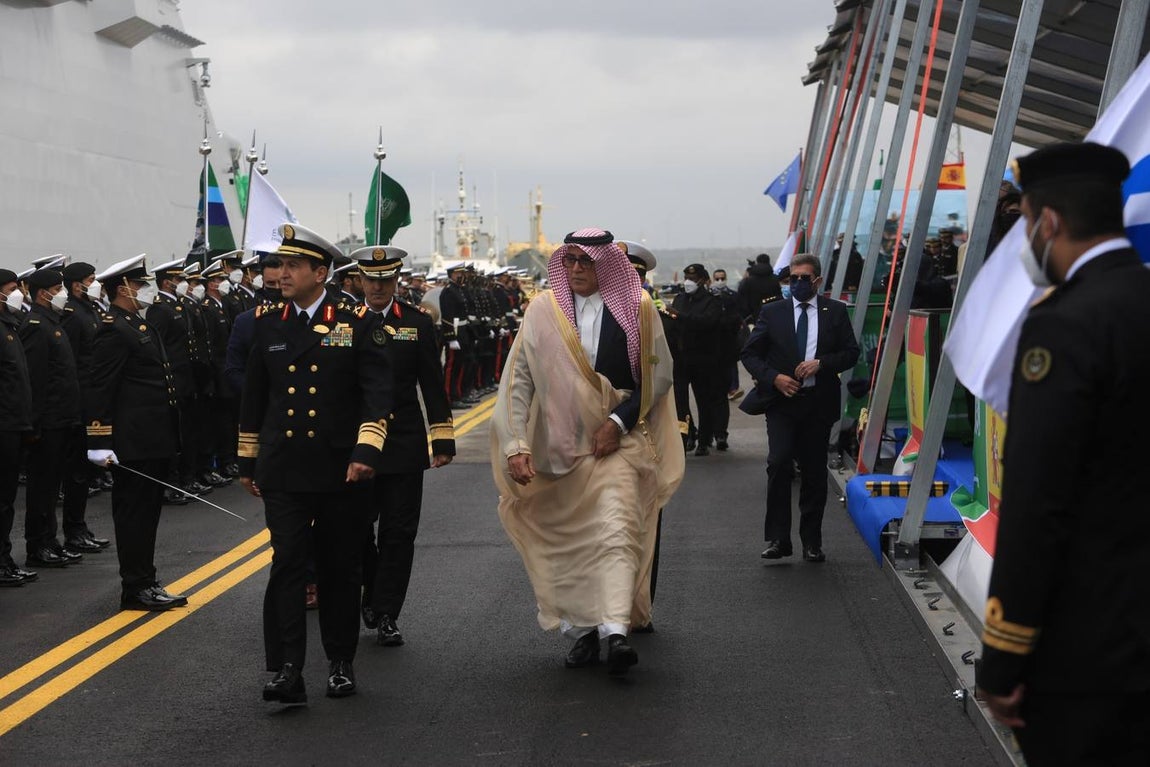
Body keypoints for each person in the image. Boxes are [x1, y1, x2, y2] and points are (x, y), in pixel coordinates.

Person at [976, 142, 1150, 765]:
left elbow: (1038, 503)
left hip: (1094, 652)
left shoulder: (1065, 323)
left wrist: (1004, 655)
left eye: (1023, 222)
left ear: (1047, 221)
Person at [490, 228, 683, 676]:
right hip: (557, 450)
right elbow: (518, 380)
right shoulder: (542, 311)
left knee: (616, 532)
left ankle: (615, 632)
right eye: (570, 260)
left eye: (586, 261)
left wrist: (617, 423)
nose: (576, 268)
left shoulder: (638, 310)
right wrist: (517, 445)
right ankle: (579, 633)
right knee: (569, 545)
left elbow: (659, 380)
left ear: (606, 265)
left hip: (617, 445)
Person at [238, 223, 393, 705]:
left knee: (338, 567)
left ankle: (341, 661)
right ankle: (288, 668)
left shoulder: (357, 321)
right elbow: (254, 396)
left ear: (319, 272)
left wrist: (367, 451)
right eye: (277, 265)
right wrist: (247, 458)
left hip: (339, 467)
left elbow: (377, 394)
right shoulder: (266, 323)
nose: (279, 274)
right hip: (283, 466)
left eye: (290, 266)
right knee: (287, 562)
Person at [351, 246, 455, 647]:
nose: (378, 287)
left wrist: (441, 438)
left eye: (386, 280)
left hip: (404, 441)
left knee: (399, 532)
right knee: (357, 529)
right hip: (358, 443)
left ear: (395, 281)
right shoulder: (345, 322)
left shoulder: (415, 322)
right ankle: (371, 589)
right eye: (371, 280)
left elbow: (432, 382)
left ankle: (387, 610)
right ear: (360, 281)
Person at [740, 253, 859, 563]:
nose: (797, 284)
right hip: (781, 403)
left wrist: (822, 363)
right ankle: (779, 539)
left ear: (817, 281)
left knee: (814, 472)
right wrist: (774, 378)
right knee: (778, 463)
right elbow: (750, 354)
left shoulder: (834, 312)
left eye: (804, 279)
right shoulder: (773, 312)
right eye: (793, 279)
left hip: (818, 405)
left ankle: (812, 540)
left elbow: (850, 353)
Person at [84, 255, 187, 611]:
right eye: (141, 285)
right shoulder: (114, 328)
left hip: (152, 438)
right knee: (134, 516)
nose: (147, 290)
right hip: (133, 441)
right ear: (123, 288)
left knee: (147, 514)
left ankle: (146, 579)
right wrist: (99, 441)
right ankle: (135, 586)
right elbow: (100, 389)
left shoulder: (137, 325)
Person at [19, 268, 89, 567]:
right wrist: (34, 425)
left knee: (52, 486)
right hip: (48, 421)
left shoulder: (52, 322)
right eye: (57, 287)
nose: (62, 292)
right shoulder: (36, 324)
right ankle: (38, 545)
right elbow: (36, 380)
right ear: (42, 292)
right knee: (42, 486)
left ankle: (51, 540)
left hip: (62, 418)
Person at [0, 270, 38, 586]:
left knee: (7, 499)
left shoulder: (9, 326)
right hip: (3, 425)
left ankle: (4, 559)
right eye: (13, 290)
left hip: (14, 424)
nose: (19, 295)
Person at [668, 264, 724, 456]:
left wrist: (680, 316)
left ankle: (705, 440)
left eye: (692, 278)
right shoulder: (680, 298)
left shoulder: (711, 301)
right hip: (681, 359)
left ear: (701, 280)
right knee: (680, 403)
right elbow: (673, 323)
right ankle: (686, 436)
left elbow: (707, 322)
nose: (688, 282)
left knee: (704, 401)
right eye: (686, 277)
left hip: (703, 360)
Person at [735, 253, 782, 324]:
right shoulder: (775, 280)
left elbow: (741, 300)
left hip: (752, 318)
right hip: (773, 316)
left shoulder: (748, 281)